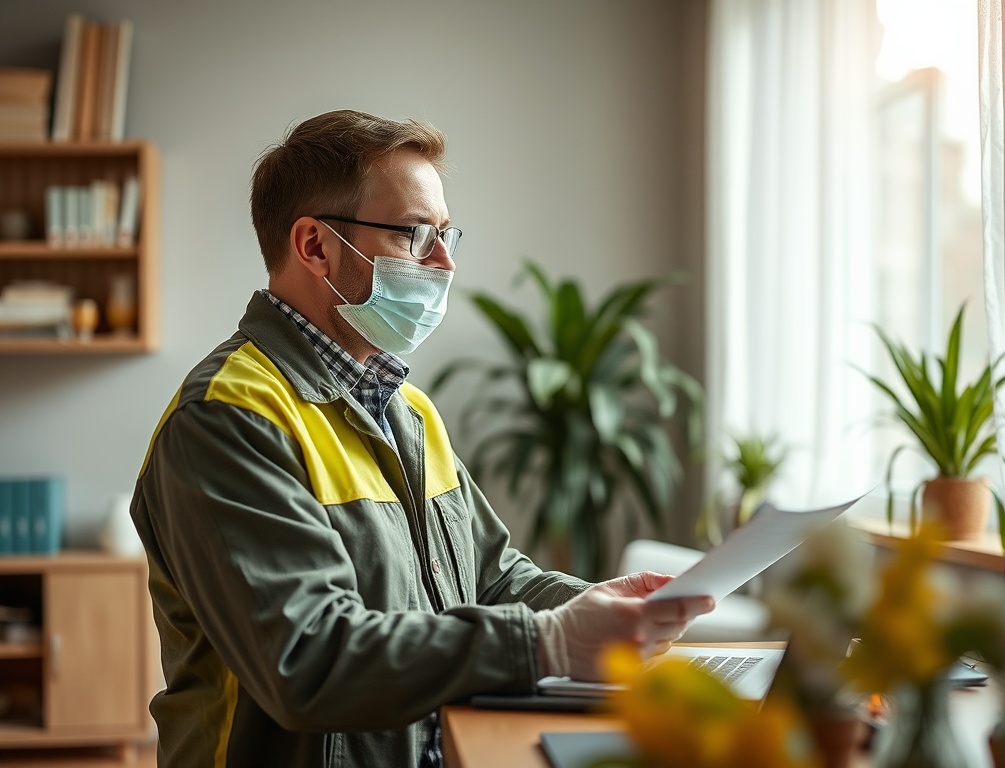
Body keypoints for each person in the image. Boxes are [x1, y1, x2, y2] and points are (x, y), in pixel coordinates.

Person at [130, 109, 714, 768]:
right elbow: (308, 660)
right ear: (315, 246)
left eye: (446, 235)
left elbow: (490, 580)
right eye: (414, 234)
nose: (445, 263)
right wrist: (546, 643)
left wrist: (591, 606)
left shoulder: (408, 410)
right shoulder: (228, 418)